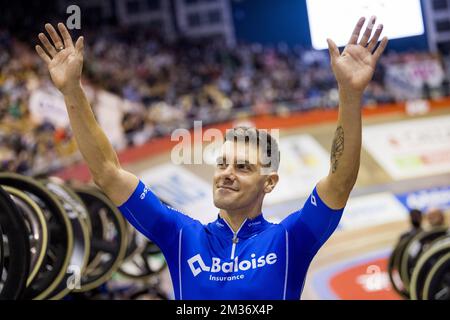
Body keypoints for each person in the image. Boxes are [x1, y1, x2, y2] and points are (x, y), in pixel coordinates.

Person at [35, 16, 388, 300]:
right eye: (222, 164)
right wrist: (72, 91)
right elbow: (107, 173)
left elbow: (340, 180)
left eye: (243, 167)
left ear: (270, 182)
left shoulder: (289, 240)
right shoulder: (180, 236)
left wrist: (349, 94)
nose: (226, 174)